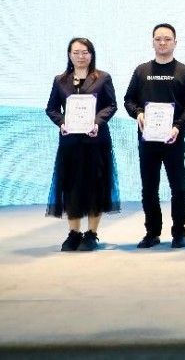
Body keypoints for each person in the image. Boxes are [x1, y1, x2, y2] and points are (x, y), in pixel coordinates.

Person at [124, 23, 185, 249]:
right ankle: (152, 232)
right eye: (158, 39)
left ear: (175, 42)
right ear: (152, 42)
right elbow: (128, 100)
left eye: (167, 39)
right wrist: (138, 113)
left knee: (178, 188)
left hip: (173, 140)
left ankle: (179, 233)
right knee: (149, 189)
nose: (163, 43)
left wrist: (178, 127)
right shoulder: (141, 71)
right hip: (147, 140)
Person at [46, 37, 119, 251]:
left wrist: (96, 122)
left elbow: (111, 105)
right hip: (70, 143)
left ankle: (91, 234)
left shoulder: (103, 78)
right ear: (69, 55)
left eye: (85, 52)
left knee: (96, 186)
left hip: (96, 141)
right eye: (76, 52)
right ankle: (74, 233)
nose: (80, 56)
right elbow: (51, 108)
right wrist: (62, 123)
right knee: (71, 186)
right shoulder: (60, 80)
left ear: (91, 54)